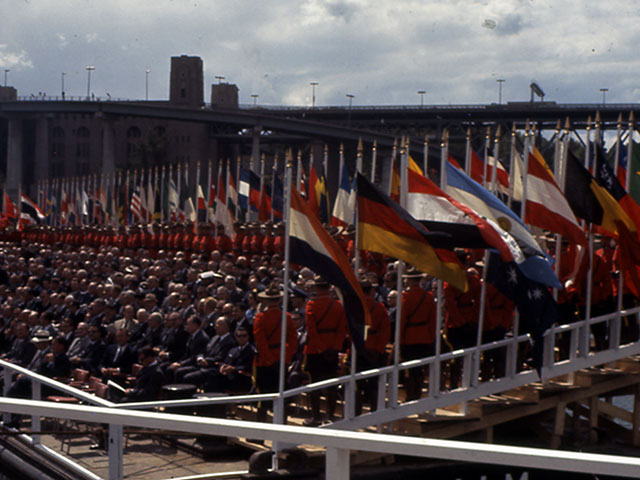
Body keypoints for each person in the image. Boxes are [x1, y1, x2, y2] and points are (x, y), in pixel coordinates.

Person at [303, 276, 347, 425]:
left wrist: (321, 348)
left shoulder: (311, 305)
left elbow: (311, 330)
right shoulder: (338, 305)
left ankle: (316, 417)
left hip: (316, 350)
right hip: (332, 349)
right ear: (329, 287)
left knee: (314, 384)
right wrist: (334, 347)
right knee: (331, 385)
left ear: (316, 288)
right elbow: (342, 329)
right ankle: (331, 416)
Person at [253, 283, 297, 422]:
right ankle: (282, 431)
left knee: (263, 399)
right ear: (279, 300)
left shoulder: (260, 318)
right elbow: (293, 340)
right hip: (282, 358)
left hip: (265, 362)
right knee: (282, 396)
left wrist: (270, 360)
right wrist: (285, 358)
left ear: (265, 300)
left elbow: (261, 343)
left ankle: (260, 434)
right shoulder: (287, 317)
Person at [400, 268, 436, 401]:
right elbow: (433, 320)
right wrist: (431, 336)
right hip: (425, 336)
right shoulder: (429, 296)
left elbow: (401, 321)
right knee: (420, 369)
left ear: (410, 280)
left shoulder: (405, 297)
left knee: (410, 369)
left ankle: (410, 396)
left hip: (409, 338)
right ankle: (418, 394)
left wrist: (400, 340)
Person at [204, 326, 255, 393]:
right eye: (239, 336)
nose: (241, 338)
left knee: (216, 379)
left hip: (241, 377)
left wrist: (234, 368)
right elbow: (225, 362)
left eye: (244, 336)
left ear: (248, 337)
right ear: (236, 337)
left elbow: (249, 366)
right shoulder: (233, 350)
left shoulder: (252, 351)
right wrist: (222, 367)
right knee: (210, 373)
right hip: (229, 375)